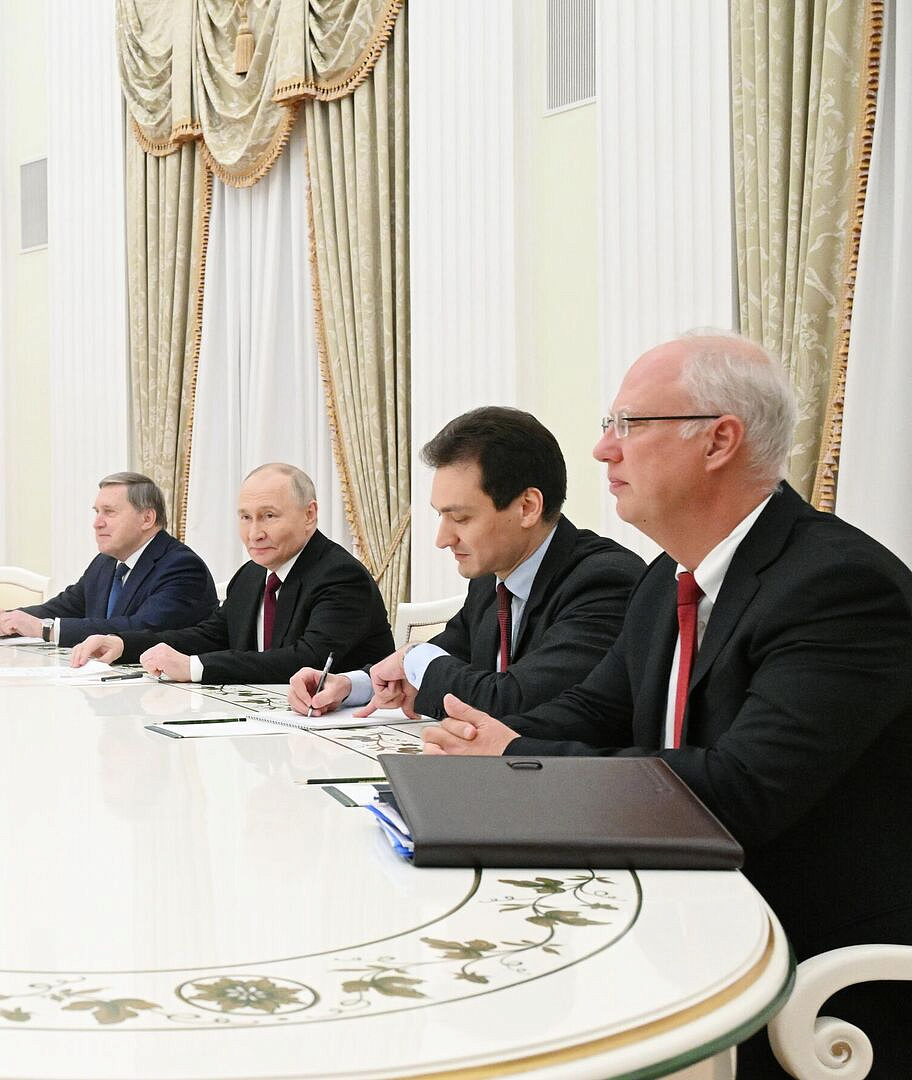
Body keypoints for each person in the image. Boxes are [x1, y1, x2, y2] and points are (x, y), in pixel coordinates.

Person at [419, 332, 912, 1077]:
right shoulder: (664, 579)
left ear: (719, 441)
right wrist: (474, 742)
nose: (601, 449)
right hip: (673, 919)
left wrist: (516, 757)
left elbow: (742, 789)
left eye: (627, 424)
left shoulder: (838, 586)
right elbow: (592, 710)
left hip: (807, 977)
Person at [289, 407, 642, 719]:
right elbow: (447, 652)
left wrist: (413, 660)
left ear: (527, 507)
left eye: (460, 518)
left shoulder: (604, 581)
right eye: (441, 516)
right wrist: (353, 684)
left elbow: (515, 703)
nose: (443, 539)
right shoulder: (491, 578)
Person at [70, 463, 390, 683]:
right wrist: (123, 644)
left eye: (268, 516)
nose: (254, 533)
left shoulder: (341, 576)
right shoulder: (252, 575)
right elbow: (210, 635)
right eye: (245, 518)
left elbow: (307, 660)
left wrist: (195, 667)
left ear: (310, 514)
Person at [0, 471, 214, 646]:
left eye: (109, 512)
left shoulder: (182, 567)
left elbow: (141, 628)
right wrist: (9, 618)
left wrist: (44, 629)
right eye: (97, 512)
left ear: (147, 519)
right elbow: (65, 607)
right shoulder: (106, 562)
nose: (97, 523)